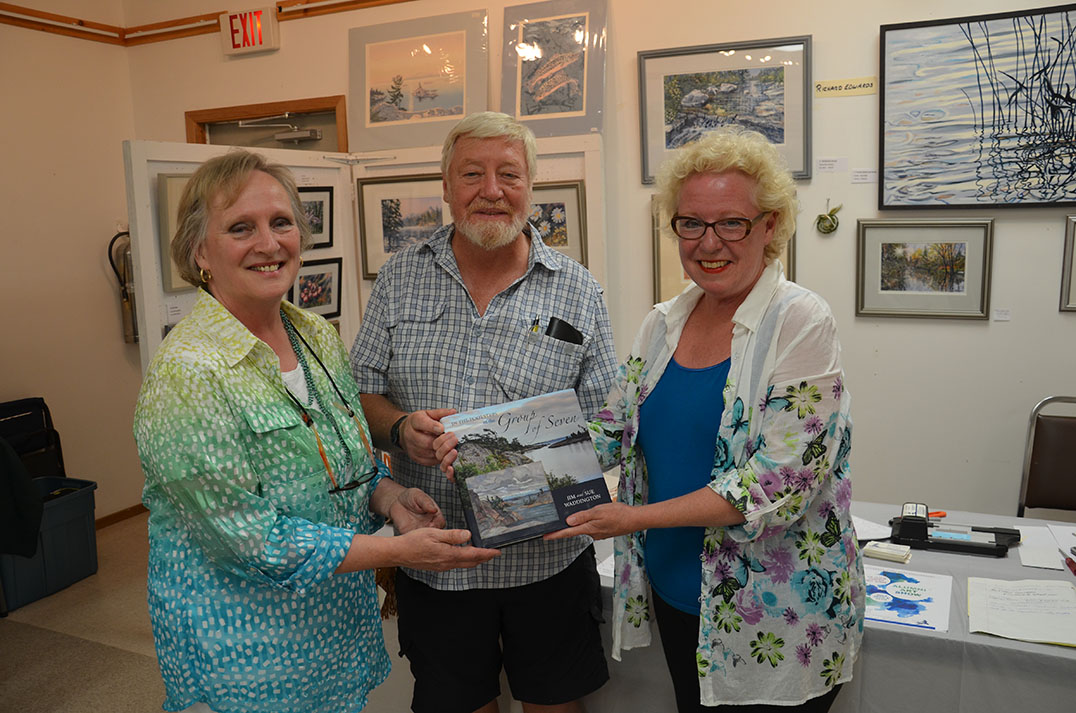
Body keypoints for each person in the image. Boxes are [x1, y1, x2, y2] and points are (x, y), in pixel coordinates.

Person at [133, 150, 499, 713]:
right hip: (251, 651)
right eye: (240, 228)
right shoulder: (188, 376)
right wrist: (396, 550)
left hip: (331, 627)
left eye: (281, 222)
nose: (269, 243)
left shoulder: (313, 335)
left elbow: (347, 460)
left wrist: (392, 496)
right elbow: (250, 539)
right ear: (200, 251)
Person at [548, 128, 864, 712]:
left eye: (731, 223)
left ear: (770, 226)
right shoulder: (662, 323)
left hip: (775, 607)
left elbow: (775, 484)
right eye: (690, 223)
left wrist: (632, 518)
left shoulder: (801, 322)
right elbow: (609, 434)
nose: (708, 242)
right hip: (678, 591)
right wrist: (491, 460)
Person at [349, 111, 617, 713]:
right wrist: (399, 429)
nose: (491, 190)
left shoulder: (578, 290)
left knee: (556, 705)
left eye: (508, 174)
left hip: (549, 557)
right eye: (472, 173)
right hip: (434, 556)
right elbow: (357, 394)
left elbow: (609, 423)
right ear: (446, 186)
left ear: (531, 185)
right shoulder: (399, 279)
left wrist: (529, 465)